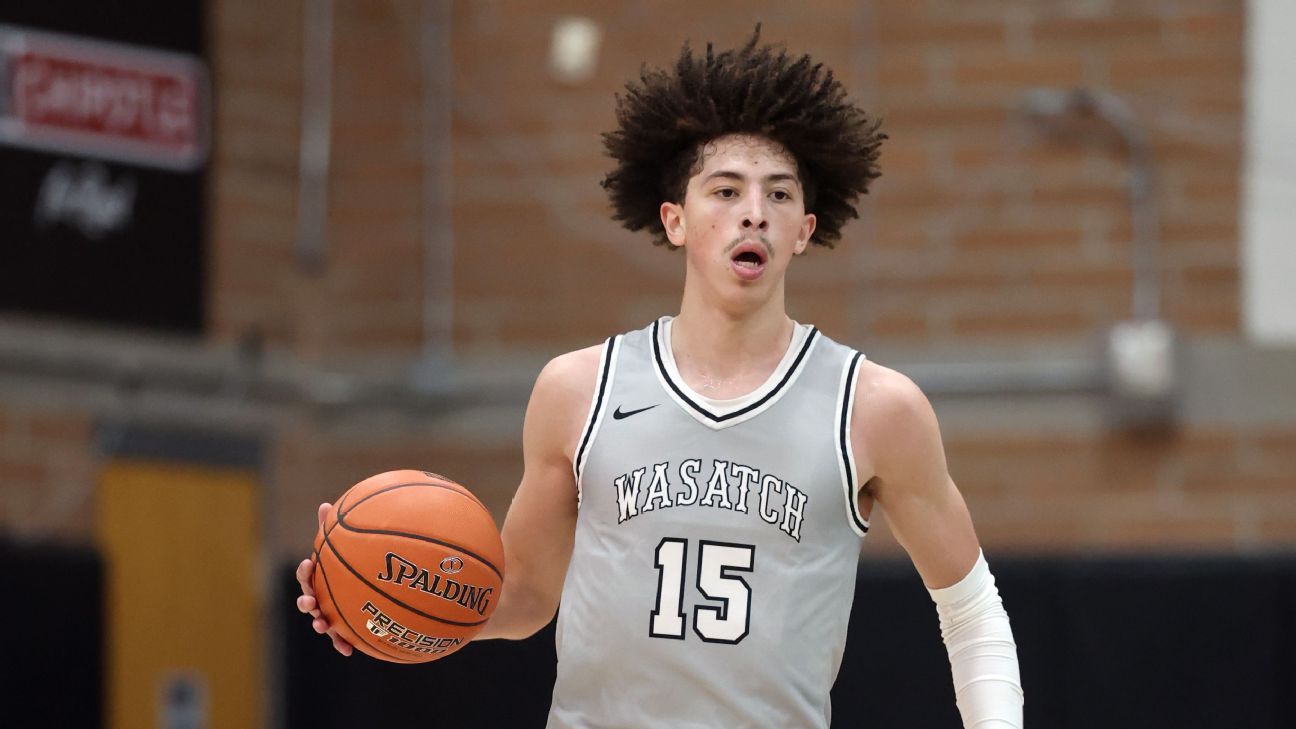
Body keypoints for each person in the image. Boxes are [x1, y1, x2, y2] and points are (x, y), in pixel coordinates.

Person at [296, 29, 1023, 728]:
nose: (753, 214)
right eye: (726, 191)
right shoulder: (578, 390)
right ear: (675, 220)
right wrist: (377, 604)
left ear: (804, 229)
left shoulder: (873, 408)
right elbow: (523, 595)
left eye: (778, 195)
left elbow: (971, 612)